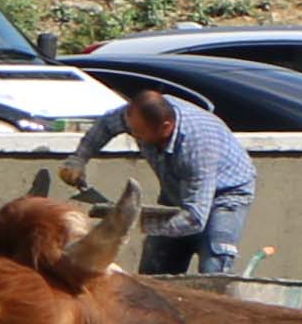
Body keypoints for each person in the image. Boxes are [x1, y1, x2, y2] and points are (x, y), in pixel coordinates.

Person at [76, 72, 258, 280]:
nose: (135, 136)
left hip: (226, 195)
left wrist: (141, 224)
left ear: (166, 127)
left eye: (140, 134)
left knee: (213, 267)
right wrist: (78, 160)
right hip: (178, 190)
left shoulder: (197, 146)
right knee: (156, 270)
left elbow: (195, 218)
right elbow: (106, 125)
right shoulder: (142, 115)